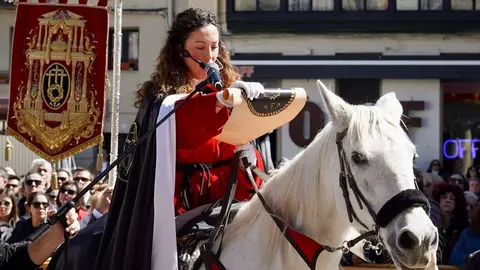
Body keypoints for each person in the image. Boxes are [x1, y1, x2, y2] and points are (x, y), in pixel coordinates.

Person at [95, 7, 266, 270]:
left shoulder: (229, 90)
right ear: (179, 49)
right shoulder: (159, 98)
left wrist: (249, 154)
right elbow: (183, 127)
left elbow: (240, 154)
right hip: (177, 209)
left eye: (214, 46)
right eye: (199, 47)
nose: (209, 56)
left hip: (224, 205)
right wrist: (218, 101)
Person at [0, 207, 79, 270]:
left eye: (44, 204)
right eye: (36, 204)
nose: (41, 207)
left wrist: (57, 233)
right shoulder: (22, 225)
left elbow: (9, 258)